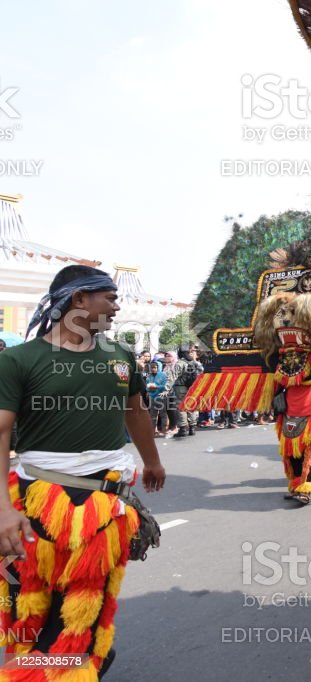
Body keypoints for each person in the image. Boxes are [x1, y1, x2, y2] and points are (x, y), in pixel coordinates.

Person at [0, 264, 166, 678]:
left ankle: (68, 666)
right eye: (108, 297)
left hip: (104, 507)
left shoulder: (121, 356)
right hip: (35, 504)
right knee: (35, 610)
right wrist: (3, 510)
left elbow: (136, 412)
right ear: (78, 300)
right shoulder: (20, 360)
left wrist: (152, 461)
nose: (117, 304)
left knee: (81, 614)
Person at [169, 347, 203, 438]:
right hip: (192, 387)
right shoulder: (194, 362)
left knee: (181, 408)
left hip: (180, 388)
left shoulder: (180, 363)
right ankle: (192, 428)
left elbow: (173, 376)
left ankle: (183, 428)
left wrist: (167, 388)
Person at [145, 361, 171, 437]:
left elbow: (166, 386)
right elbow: (147, 386)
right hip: (152, 397)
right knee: (153, 415)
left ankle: (164, 430)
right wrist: (148, 390)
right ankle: (153, 431)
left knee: (163, 414)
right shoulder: (149, 376)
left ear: (158, 368)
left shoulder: (163, 375)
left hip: (161, 396)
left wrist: (156, 386)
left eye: (155, 367)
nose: (153, 369)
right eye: (152, 368)